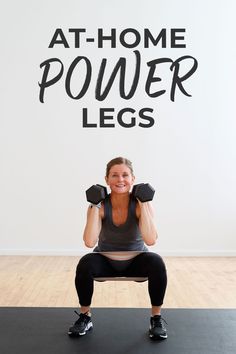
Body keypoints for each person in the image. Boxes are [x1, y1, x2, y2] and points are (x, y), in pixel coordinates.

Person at [68, 157, 168, 340]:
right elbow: (90, 242)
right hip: (105, 259)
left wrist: (144, 203)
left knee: (156, 261)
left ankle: (156, 318)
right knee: (85, 263)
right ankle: (85, 316)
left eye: (125, 175)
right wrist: (95, 206)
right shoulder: (99, 205)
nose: (120, 180)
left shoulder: (141, 204)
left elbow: (151, 240)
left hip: (137, 259)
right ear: (106, 180)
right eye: (114, 175)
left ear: (133, 179)